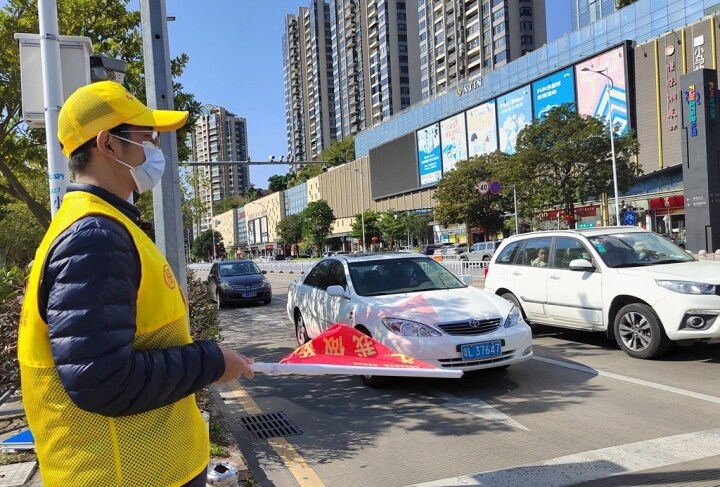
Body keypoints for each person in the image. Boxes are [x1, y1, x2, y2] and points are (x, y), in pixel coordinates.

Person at [17, 81, 254, 487]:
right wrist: (212, 362)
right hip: (123, 474)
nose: (155, 150)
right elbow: (101, 379)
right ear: (108, 144)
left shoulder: (102, 225)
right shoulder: (94, 237)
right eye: (147, 138)